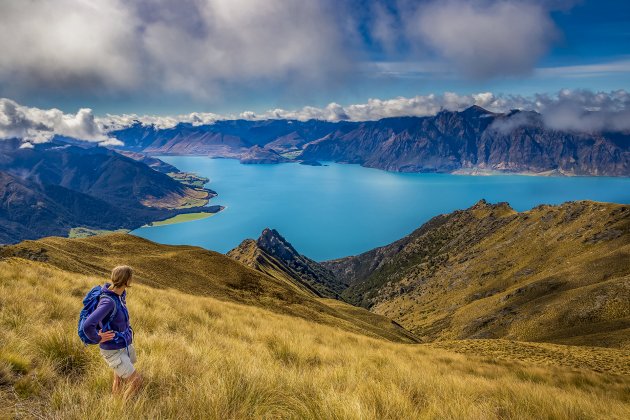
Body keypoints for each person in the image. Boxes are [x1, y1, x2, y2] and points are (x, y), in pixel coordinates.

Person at [83, 265, 142, 399]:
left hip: (122, 345)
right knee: (137, 381)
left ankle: (115, 403)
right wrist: (97, 338)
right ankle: (121, 408)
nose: (132, 280)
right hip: (113, 350)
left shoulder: (119, 296)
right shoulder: (108, 301)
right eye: (131, 277)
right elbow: (88, 325)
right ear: (126, 281)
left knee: (118, 379)